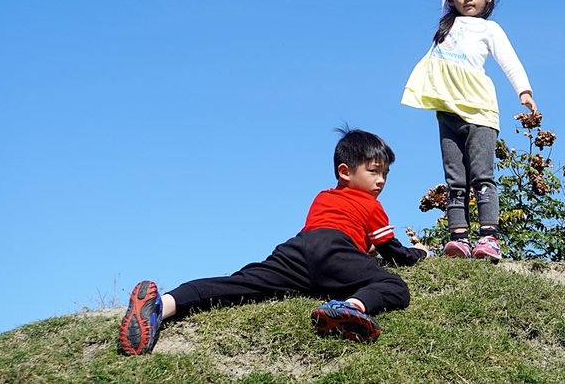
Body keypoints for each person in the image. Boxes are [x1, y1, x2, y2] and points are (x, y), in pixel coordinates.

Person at [117, 127, 429, 355]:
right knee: (394, 287)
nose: (381, 181)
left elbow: (334, 233)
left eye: (386, 174)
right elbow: (392, 252)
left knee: (238, 285)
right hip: (335, 251)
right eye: (374, 172)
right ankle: (350, 307)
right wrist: (419, 252)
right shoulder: (370, 204)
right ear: (345, 172)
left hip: (296, 251)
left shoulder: (324, 197)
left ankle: (163, 305)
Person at [401, 0, 537, 262]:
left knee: (481, 177)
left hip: (479, 112)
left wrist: (524, 91)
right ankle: (459, 239)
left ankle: (488, 239)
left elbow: (510, 62)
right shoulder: (447, 24)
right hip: (447, 112)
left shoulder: (490, 30)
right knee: (455, 179)